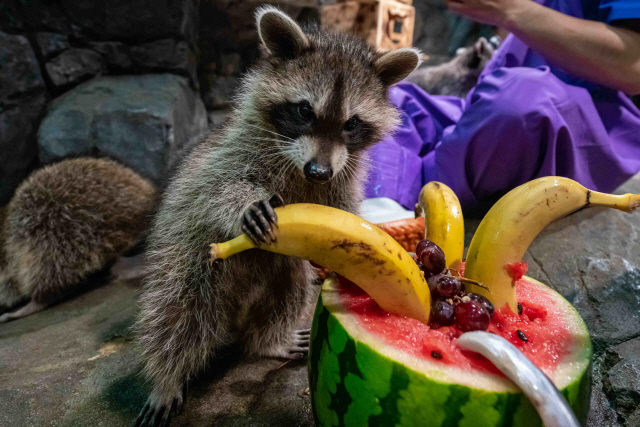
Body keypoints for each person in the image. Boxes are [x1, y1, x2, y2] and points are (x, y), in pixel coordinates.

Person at [365, 0, 640, 213]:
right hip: (483, 103)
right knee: (382, 99)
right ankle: (388, 199)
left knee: (522, 101)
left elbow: (633, 67)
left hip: (582, 123)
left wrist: (509, 10)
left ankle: (413, 198)